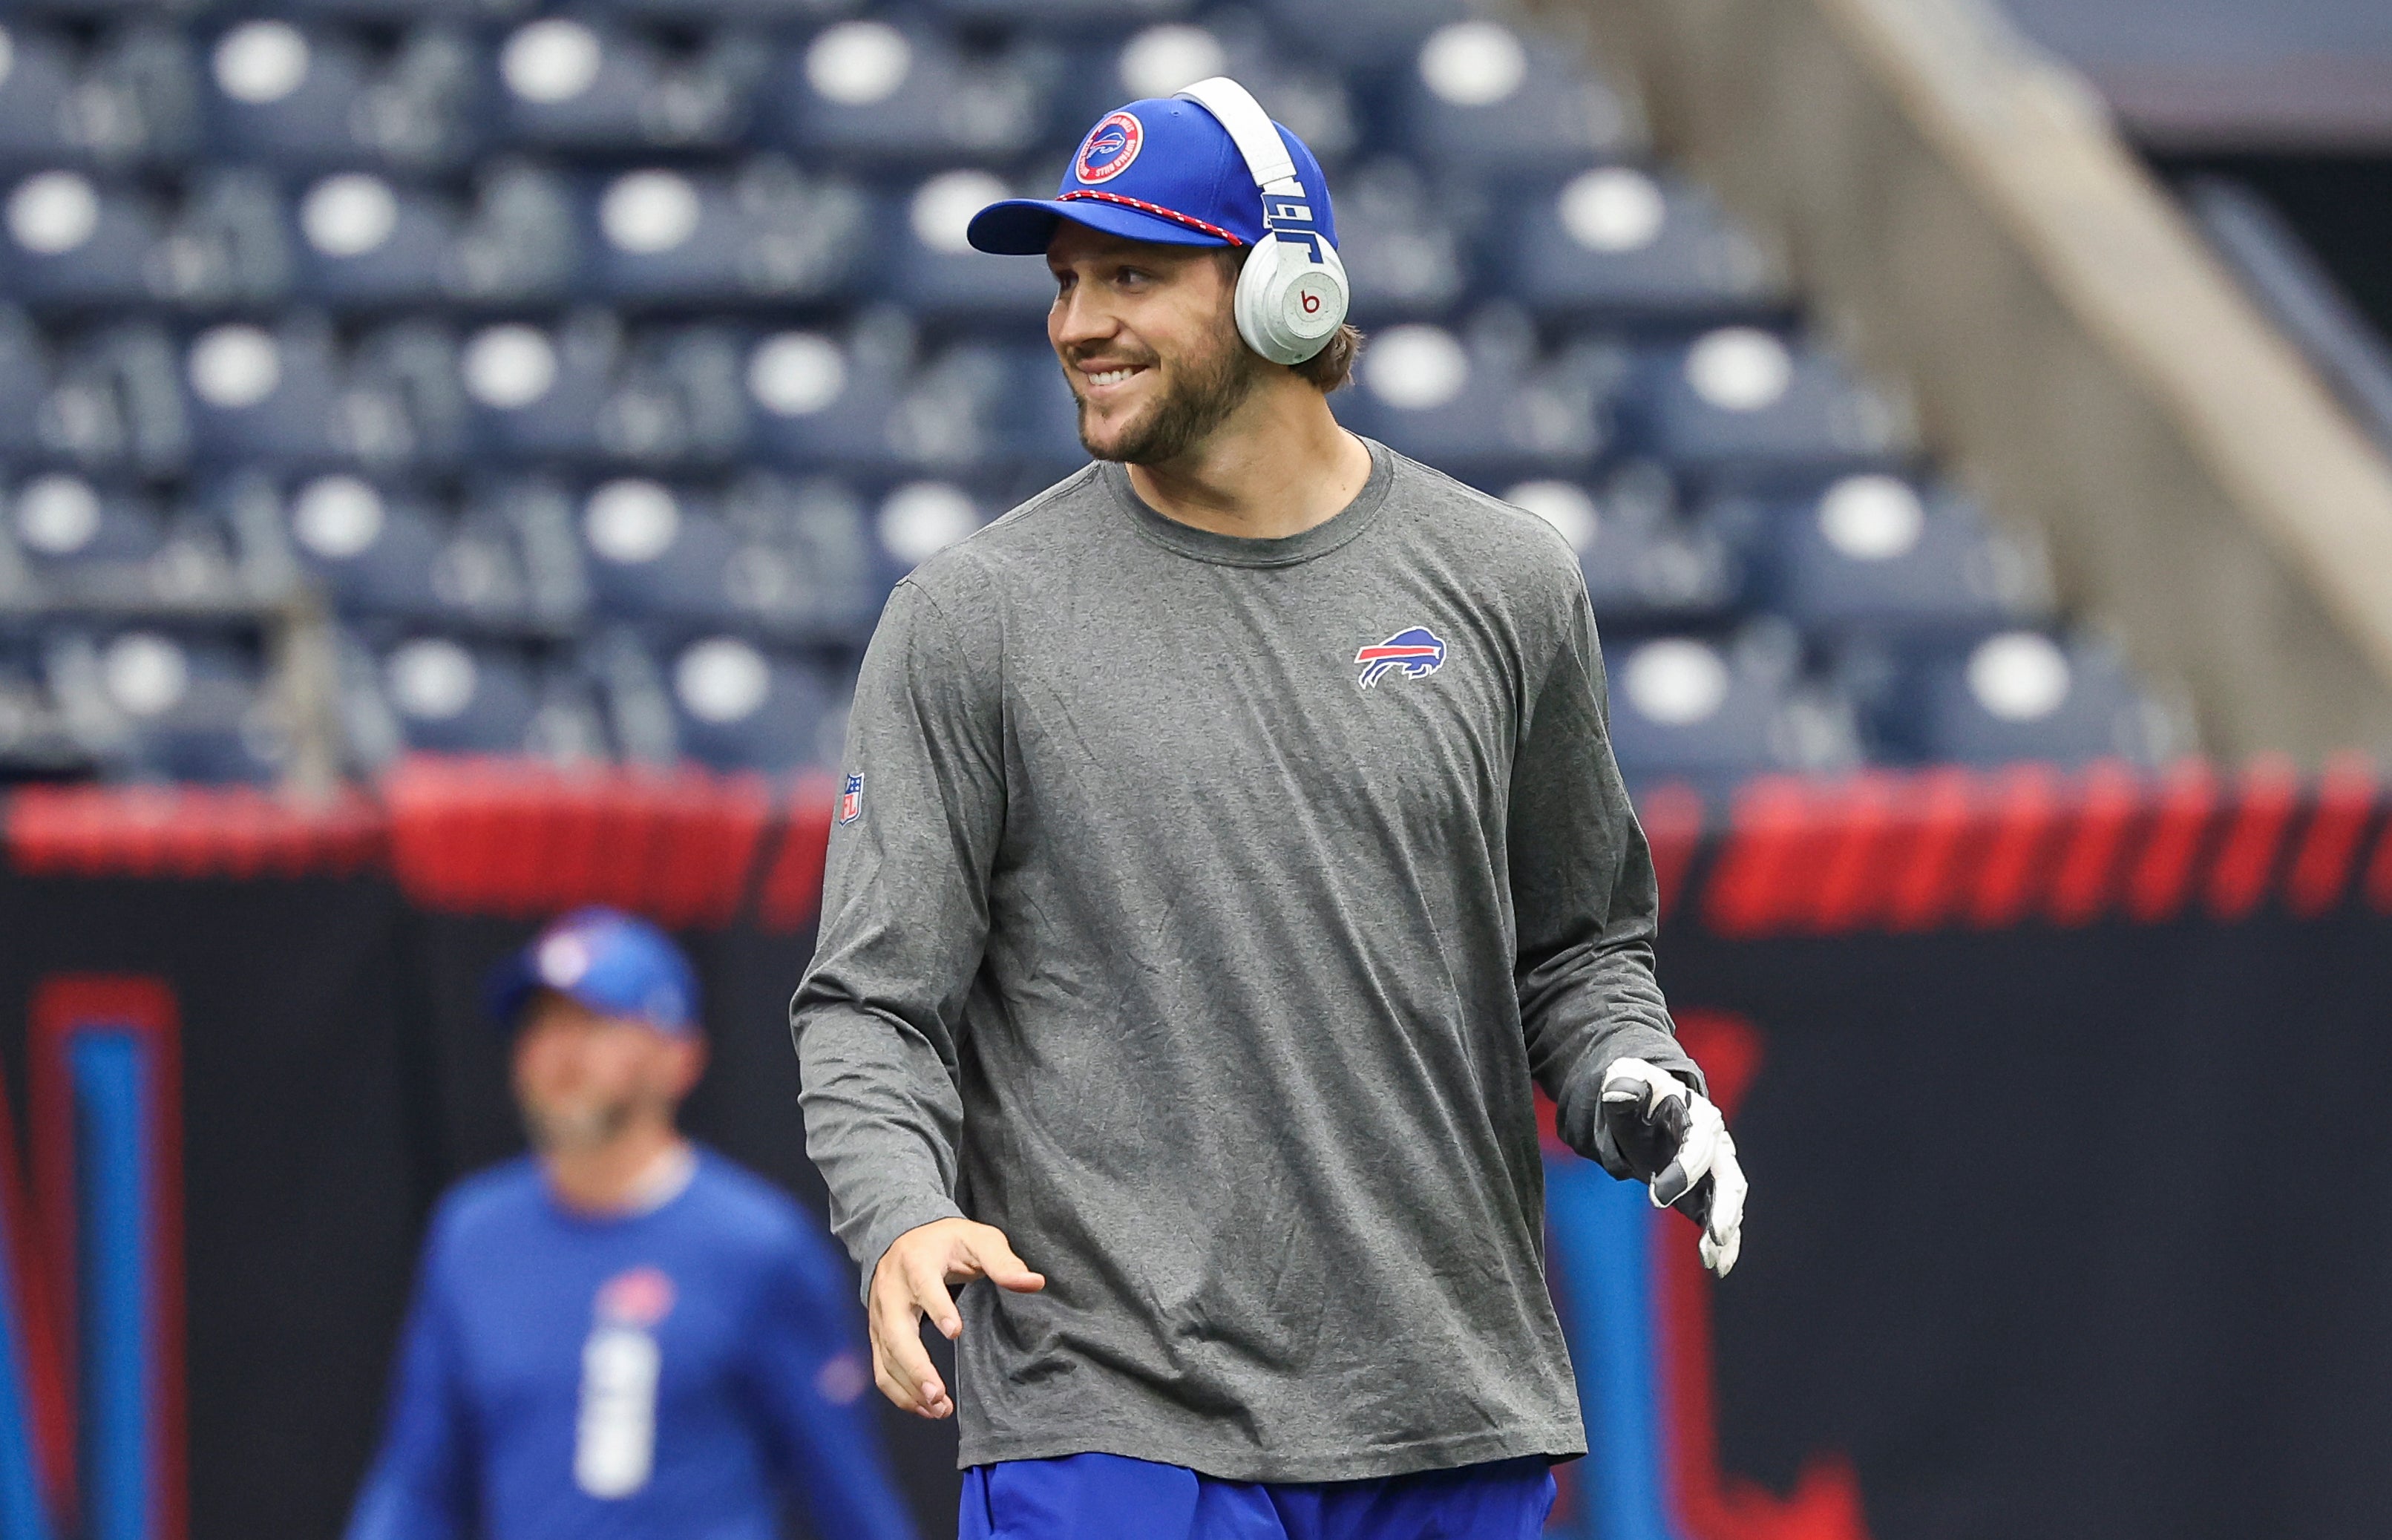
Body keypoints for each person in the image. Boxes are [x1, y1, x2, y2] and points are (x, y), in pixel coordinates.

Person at [791, 80, 1749, 1540]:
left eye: (1132, 273)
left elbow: (1577, 942)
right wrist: (899, 1211)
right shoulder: (967, 619)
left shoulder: (1505, 583)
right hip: (1109, 1412)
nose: (1076, 323)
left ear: (1293, 291)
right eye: (1062, 282)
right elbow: (871, 999)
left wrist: (1630, 1071)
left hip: (1448, 1404)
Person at [348, 906, 917, 1540]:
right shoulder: (471, 1237)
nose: (561, 1051)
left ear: (680, 1055)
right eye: (541, 1023)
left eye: (594, 1022)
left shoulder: (756, 1246)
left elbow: (845, 1492)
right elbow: (415, 1484)